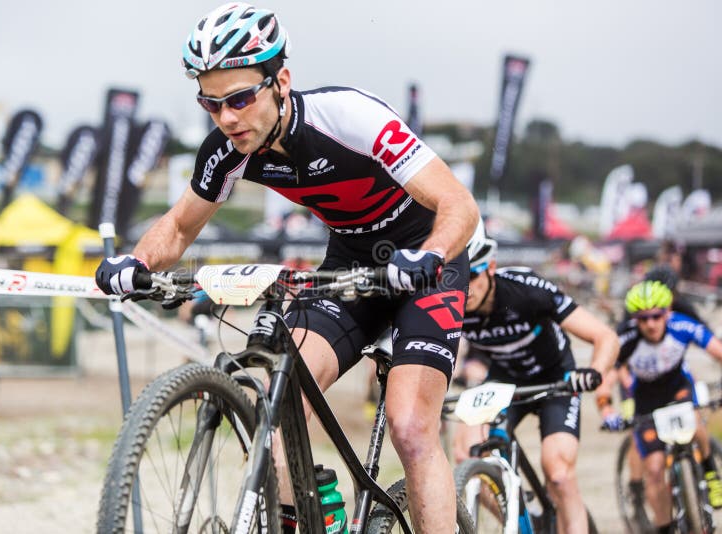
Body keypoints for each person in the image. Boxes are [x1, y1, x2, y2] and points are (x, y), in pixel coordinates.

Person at [94, 3, 480, 533]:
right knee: (277, 411)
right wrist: (136, 262)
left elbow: (458, 204)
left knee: (411, 429)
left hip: (426, 261)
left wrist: (431, 255)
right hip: (349, 267)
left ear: (281, 82)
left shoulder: (349, 118)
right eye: (211, 103)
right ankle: (318, 516)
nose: (227, 117)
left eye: (239, 98)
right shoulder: (229, 149)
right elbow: (180, 227)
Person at [458, 227, 619, 534]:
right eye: (457, 277)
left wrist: (595, 372)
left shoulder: (528, 290)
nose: (464, 289)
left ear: (491, 268)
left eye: (473, 276)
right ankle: (522, 512)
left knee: (558, 473)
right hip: (506, 381)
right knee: (466, 451)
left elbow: (605, 336)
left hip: (556, 379)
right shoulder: (451, 300)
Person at [596, 280, 722, 534]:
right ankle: (664, 527)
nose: (650, 324)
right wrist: (606, 408)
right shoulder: (626, 338)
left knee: (696, 424)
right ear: (635, 320)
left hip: (678, 387)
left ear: (667, 313)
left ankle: (710, 471)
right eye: (643, 319)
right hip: (647, 399)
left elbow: (717, 351)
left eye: (656, 316)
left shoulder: (682, 325)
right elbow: (605, 377)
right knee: (653, 469)